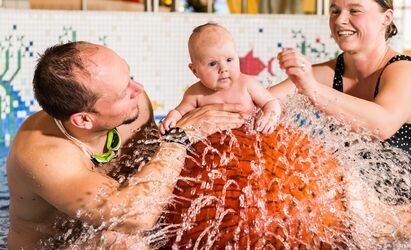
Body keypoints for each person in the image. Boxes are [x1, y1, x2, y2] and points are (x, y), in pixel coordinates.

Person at [6, 41, 247, 248]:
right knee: (120, 242)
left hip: (120, 228)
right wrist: (178, 139)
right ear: (83, 119)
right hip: (57, 247)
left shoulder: (134, 107)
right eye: (123, 93)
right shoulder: (45, 156)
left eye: (129, 77)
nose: (138, 90)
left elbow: (159, 167)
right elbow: (137, 216)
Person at [271, 0, 411, 190]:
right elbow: (262, 100)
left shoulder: (408, 72)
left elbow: (381, 125)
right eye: (335, 11)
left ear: (386, 18)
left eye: (354, 10)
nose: (340, 20)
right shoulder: (326, 75)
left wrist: (312, 89)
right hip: (394, 209)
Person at [159, 22, 281, 135]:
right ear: (195, 70)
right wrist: (171, 118)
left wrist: (269, 119)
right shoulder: (194, 94)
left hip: (247, 141)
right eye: (212, 64)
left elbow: (271, 102)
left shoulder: (247, 84)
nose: (223, 68)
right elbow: (180, 112)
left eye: (229, 60)